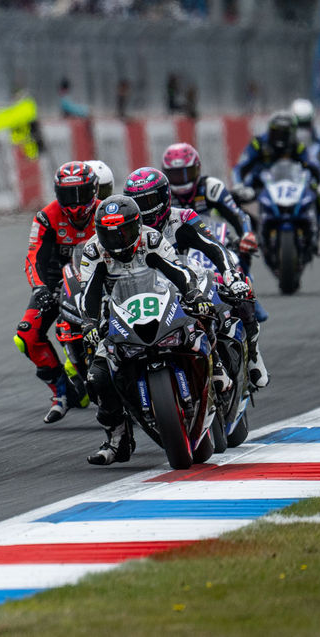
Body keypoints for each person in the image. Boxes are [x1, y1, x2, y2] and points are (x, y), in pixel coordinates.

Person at [77, 196, 215, 465]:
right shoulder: (94, 251)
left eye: (124, 232)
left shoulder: (151, 239)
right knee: (97, 377)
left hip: (162, 304)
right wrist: (89, 323)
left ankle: (217, 371)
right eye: (110, 234)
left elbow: (178, 271)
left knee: (202, 323)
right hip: (119, 316)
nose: (118, 240)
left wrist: (193, 293)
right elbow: (89, 292)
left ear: (137, 225)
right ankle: (117, 437)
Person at [123, 167, 266, 387]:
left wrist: (230, 274)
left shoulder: (183, 217)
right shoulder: (126, 229)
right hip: (147, 290)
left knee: (241, 288)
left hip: (190, 279)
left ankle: (253, 356)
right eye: (138, 202)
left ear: (164, 196)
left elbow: (214, 247)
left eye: (150, 200)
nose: (145, 209)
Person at [15, 161, 101, 424]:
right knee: (26, 335)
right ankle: (61, 391)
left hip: (100, 281)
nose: (75, 203)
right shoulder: (45, 217)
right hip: (56, 283)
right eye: (67, 195)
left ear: (94, 191)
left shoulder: (106, 211)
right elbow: (34, 256)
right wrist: (39, 287)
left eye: (81, 194)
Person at [234, 111, 320, 255]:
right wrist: (238, 185)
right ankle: (252, 231)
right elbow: (240, 167)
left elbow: (314, 166)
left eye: (284, 133)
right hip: (260, 185)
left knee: (317, 194)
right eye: (276, 132)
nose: (280, 137)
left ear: (292, 133)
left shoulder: (298, 146)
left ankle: (316, 235)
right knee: (233, 199)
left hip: (291, 183)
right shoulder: (258, 144)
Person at [162, 142, 260, 272]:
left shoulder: (211, 187)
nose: (181, 179)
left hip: (213, 235)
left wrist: (246, 234)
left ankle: (242, 279)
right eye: (176, 175)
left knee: (242, 249)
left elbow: (236, 214)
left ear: (197, 169)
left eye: (186, 173)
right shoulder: (163, 194)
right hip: (178, 243)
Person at [291, 97, 320, 171]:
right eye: (300, 124)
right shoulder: (289, 137)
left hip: (313, 172)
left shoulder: (317, 135)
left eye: (306, 124)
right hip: (294, 172)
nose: (303, 130)